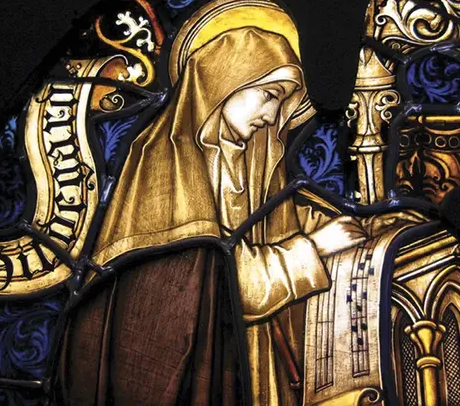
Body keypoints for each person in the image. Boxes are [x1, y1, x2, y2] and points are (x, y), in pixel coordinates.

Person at [60, 27, 366, 405]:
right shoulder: (165, 162)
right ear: (225, 81)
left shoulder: (251, 159)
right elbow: (213, 280)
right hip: (178, 365)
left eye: (282, 102)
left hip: (245, 358)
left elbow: (271, 223)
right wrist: (314, 248)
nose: (272, 115)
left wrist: (342, 224)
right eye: (269, 95)